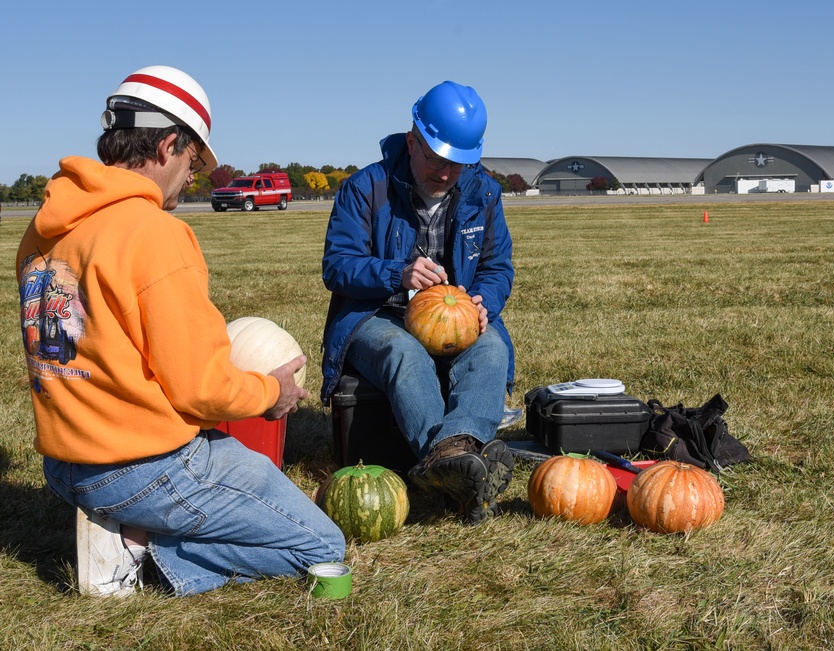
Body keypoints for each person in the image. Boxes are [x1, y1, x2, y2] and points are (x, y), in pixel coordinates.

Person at [16, 66, 345, 597]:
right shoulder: (154, 233)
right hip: (143, 468)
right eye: (193, 160)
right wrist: (271, 392)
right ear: (169, 144)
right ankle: (141, 550)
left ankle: (124, 525)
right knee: (320, 545)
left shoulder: (44, 227)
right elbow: (202, 389)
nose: (192, 177)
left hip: (65, 465)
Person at [321, 80, 516, 524]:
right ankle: (464, 471)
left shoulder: (484, 193)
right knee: (404, 353)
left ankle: (454, 463)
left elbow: (497, 266)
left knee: (491, 350)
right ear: (412, 140)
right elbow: (337, 266)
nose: (445, 173)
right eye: (435, 159)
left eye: (457, 164)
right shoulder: (365, 188)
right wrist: (397, 273)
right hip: (375, 314)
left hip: (453, 312)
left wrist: (483, 300)